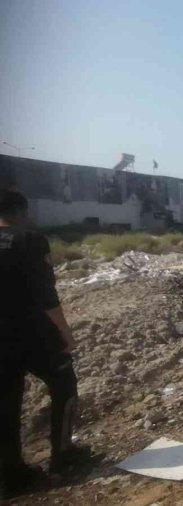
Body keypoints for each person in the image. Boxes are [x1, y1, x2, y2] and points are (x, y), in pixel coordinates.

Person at [0, 190, 85, 499]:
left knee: (6, 405)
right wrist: (65, 332)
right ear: (22, 210)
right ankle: (62, 456)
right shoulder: (30, 240)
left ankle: (11, 475)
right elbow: (46, 296)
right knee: (64, 385)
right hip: (34, 334)